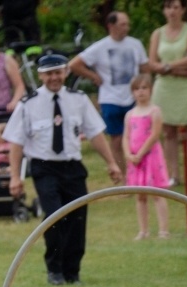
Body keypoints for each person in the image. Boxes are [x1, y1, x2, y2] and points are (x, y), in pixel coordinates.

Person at [4, 54, 122, 286]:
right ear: (41, 75)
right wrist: (15, 177)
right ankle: (55, 269)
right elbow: (16, 143)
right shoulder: (29, 104)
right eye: (49, 74)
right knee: (54, 216)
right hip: (44, 167)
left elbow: (95, 133)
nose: (54, 78)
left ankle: (72, 271)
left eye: (58, 72)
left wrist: (111, 163)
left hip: (72, 167)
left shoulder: (78, 100)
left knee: (77, 219)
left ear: (66, 73)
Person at [68, 11, 149, 174]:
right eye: (122, 24)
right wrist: (93, 76)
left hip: (133, 99)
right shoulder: (100, 47)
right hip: (110, 99)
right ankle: (123, 176)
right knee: (117, 139)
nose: (127, 28)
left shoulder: (135, 44)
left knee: (138, 138)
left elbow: (145, 69)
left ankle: (141, 174)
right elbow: (74, 64)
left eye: (127, 24)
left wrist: (145, 89)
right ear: (111, 26)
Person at [148, 0, 187, 189]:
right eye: (168, 7)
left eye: (175, 7)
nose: (172, 11)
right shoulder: (158, 33)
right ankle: (173, 174)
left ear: (183, 10)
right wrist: (173, 70)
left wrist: (168, 66)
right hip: (165, 86)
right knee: (169, 132)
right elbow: (152, 62)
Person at [122, 74, 170, 241]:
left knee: (157, 193)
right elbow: (126, 136)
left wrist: (141, 153)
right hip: (135, 160)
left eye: (144, 88)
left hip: (151, 157)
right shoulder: (130, 114)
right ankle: (143, 230)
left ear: (150, 90)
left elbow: (154, 134)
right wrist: (128, 154)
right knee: (140, 196)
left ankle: (164, 230)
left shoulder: (155, 111)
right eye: (137, 89)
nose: (140, 92)